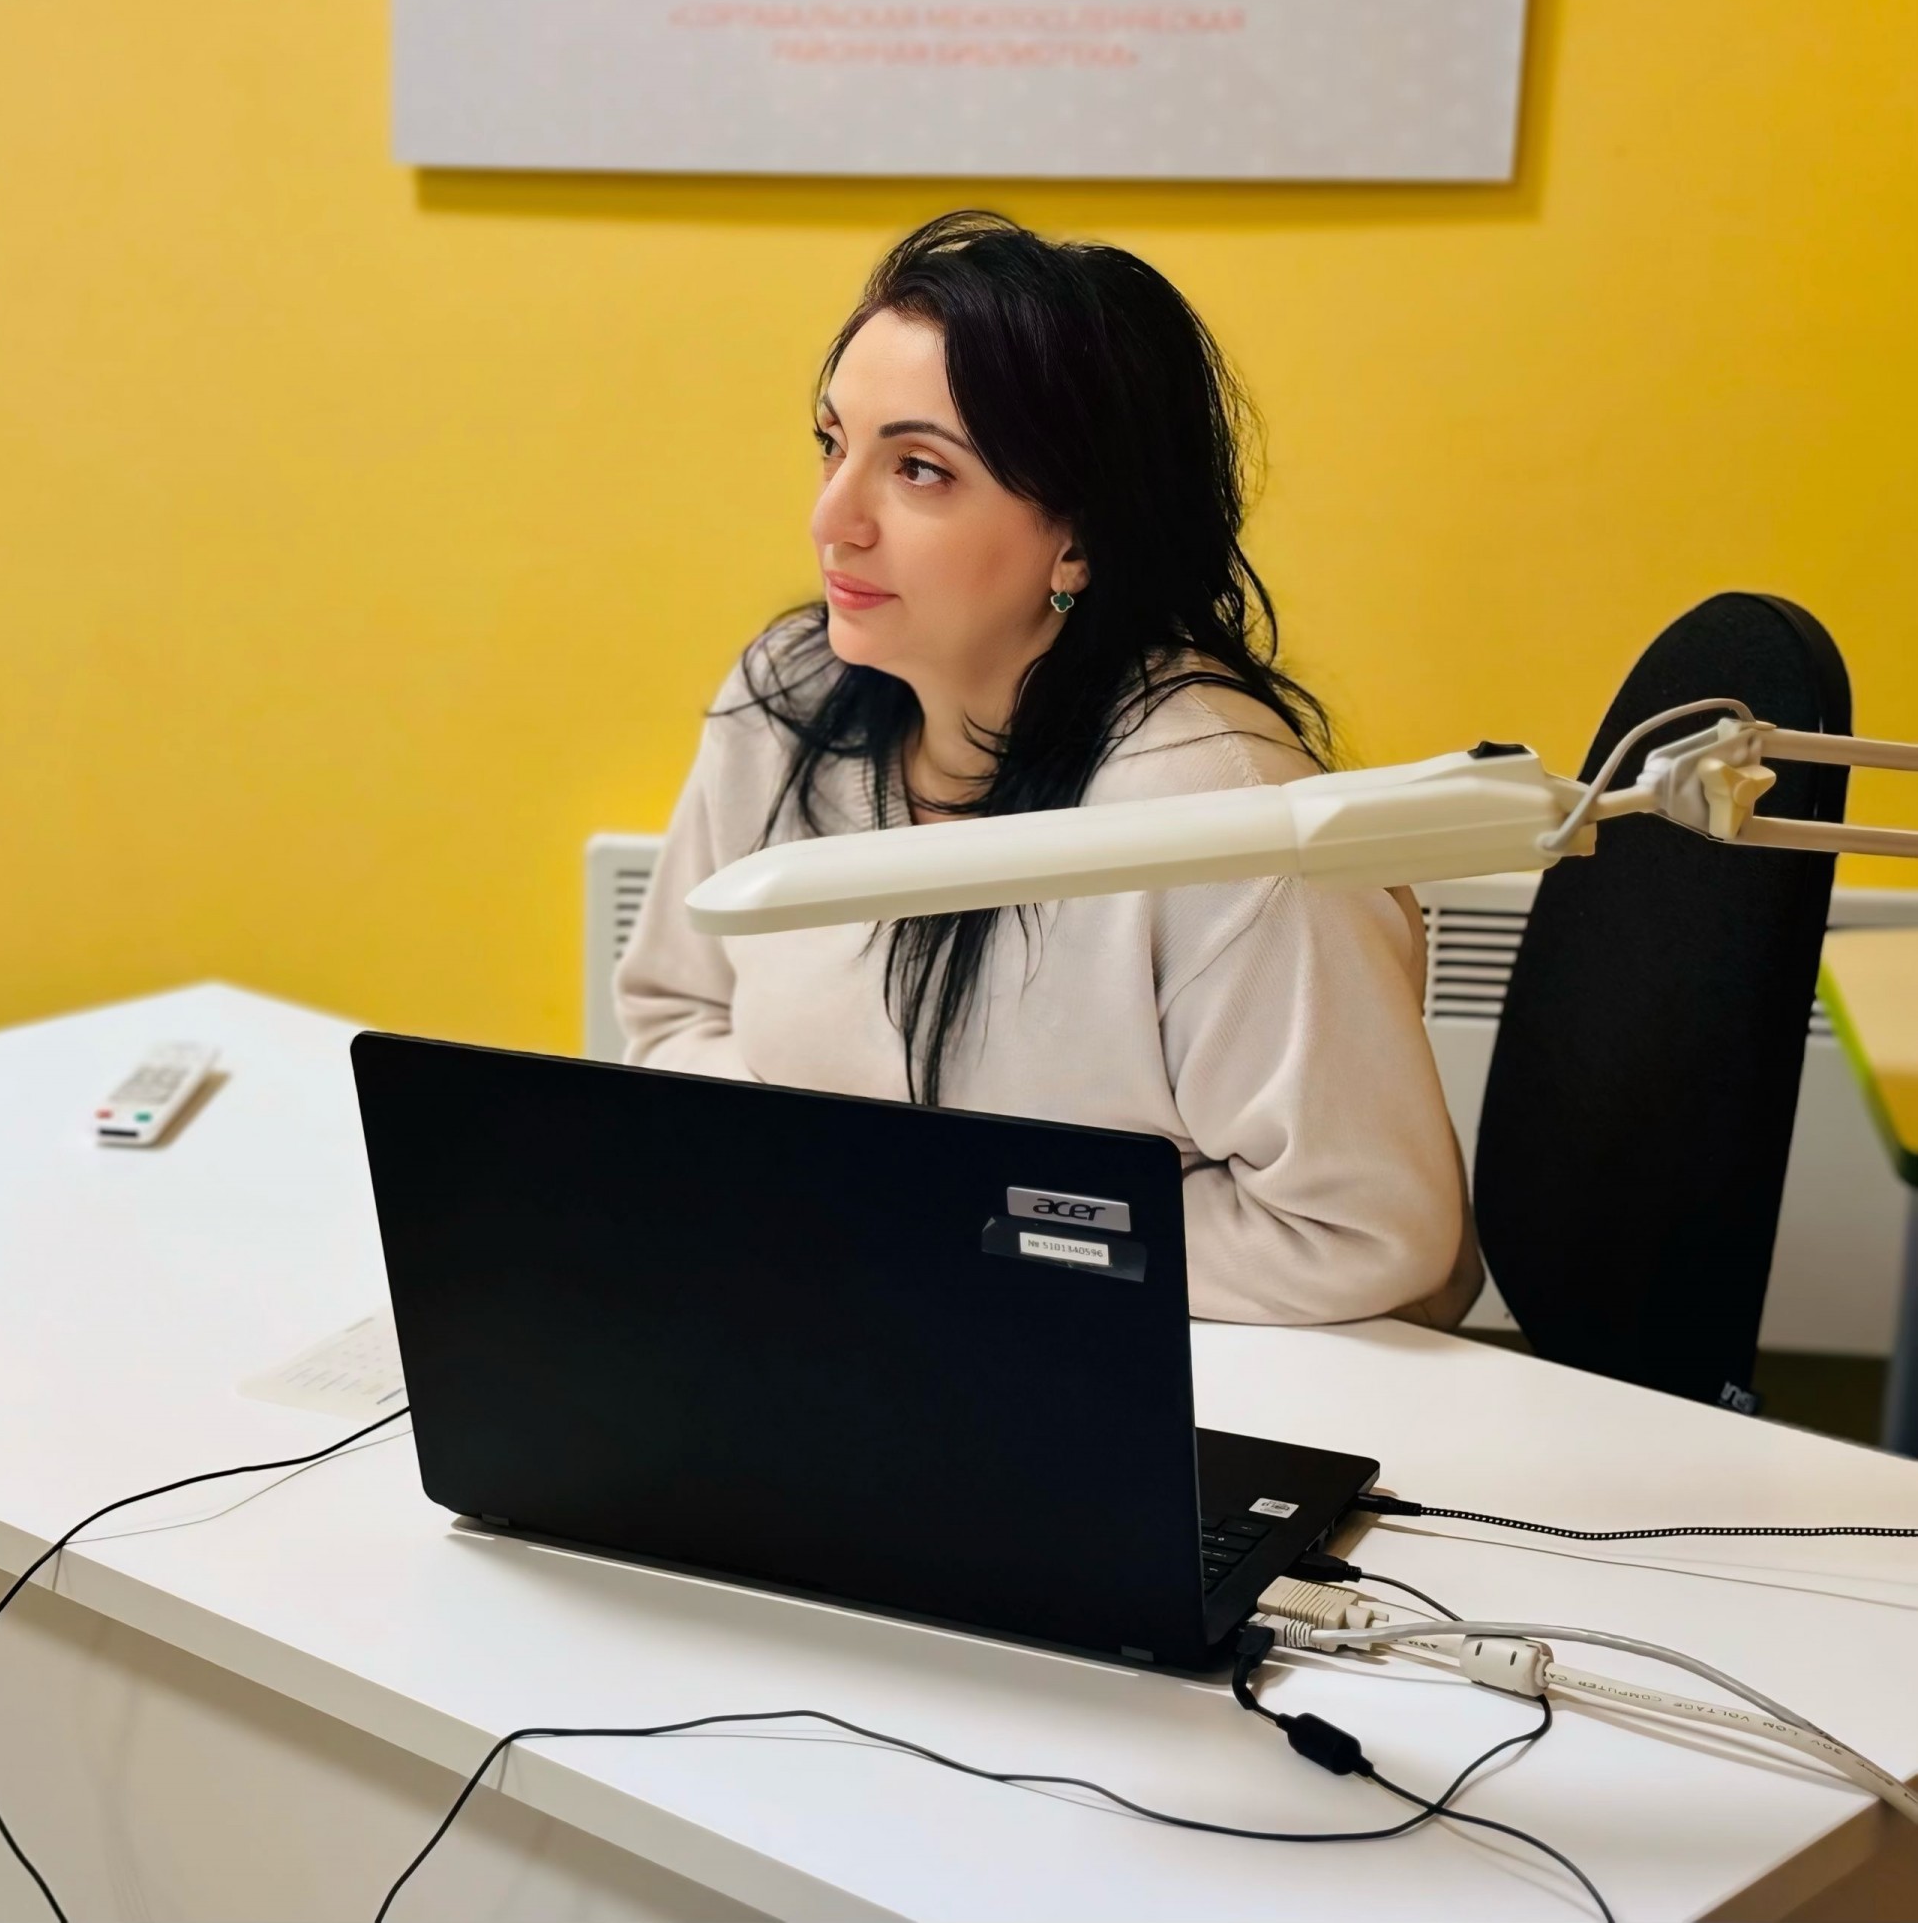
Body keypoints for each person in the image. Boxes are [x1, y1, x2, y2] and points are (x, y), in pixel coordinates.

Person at [616, 211, 1477, 1327]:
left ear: (1077, 538)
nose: (833, 518)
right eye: (833, 443)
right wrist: (827, 1205)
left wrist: (948, 1233)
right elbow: (677, 1011)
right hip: (842, 1322)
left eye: (919, 470)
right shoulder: (786, 700)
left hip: (1164, 1369)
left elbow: (1365, 1234)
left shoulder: (1225, 822)